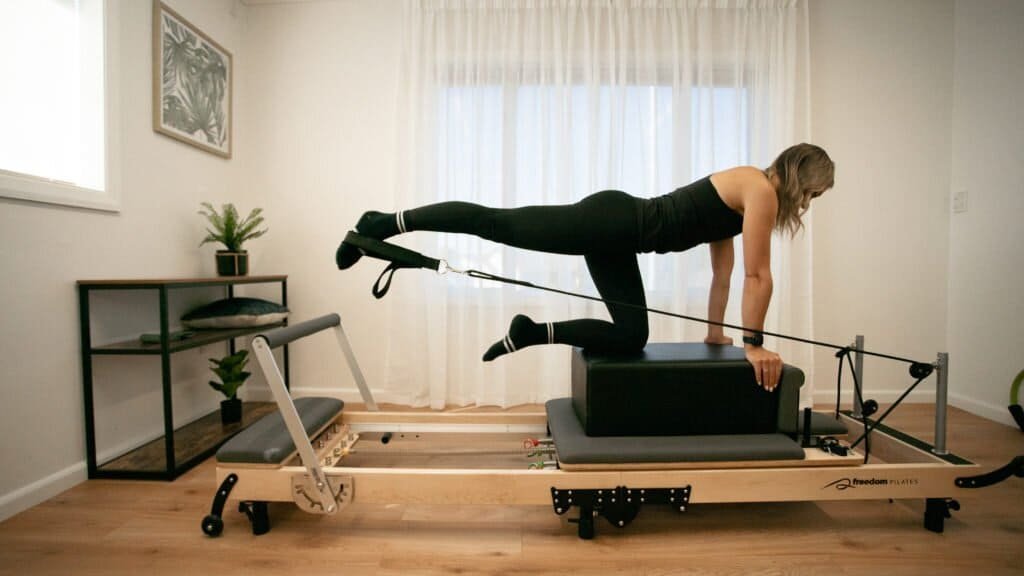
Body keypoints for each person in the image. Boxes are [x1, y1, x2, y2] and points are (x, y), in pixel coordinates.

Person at [337, 143, 834, 391]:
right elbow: (758, 276)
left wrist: (715, 333)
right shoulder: (761, 191)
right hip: (611, 222)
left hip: (619, 238)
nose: (807, 204)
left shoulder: (748, 191)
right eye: (811, 193)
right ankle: (382, 222)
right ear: (797, 177)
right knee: (495, 223)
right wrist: (754, 344)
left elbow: (724, 273)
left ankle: (533, 332)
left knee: (631, 336)